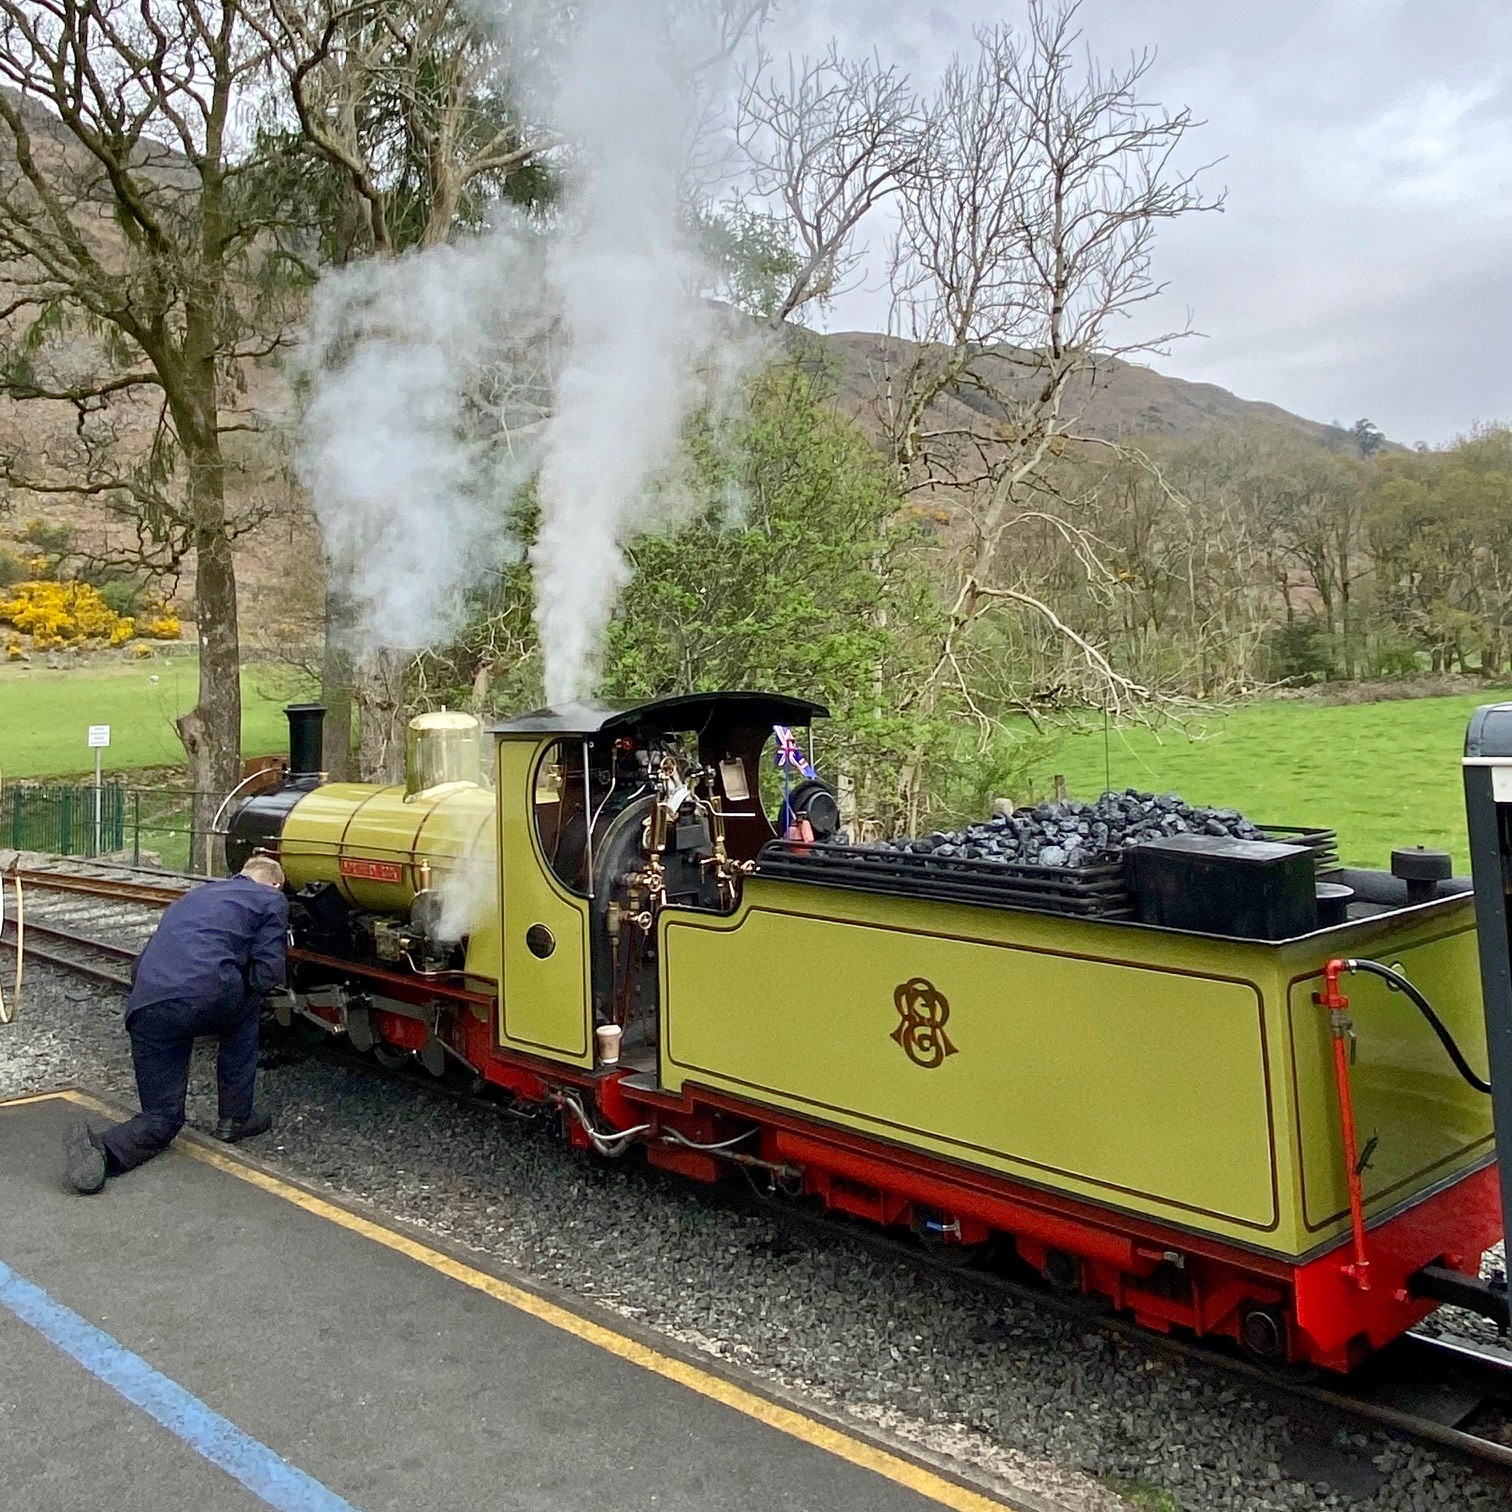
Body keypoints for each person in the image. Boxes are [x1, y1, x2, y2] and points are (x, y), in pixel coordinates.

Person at [65, 853, 289, 1194]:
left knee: (162, 1118)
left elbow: (142, 964)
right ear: (274, 883)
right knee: (246, 1009)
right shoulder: (271, 898)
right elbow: (267, 974)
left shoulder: (194, 895)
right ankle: (235, 1118)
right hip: (206, 996)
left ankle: (103, 1150)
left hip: (147, 1004)